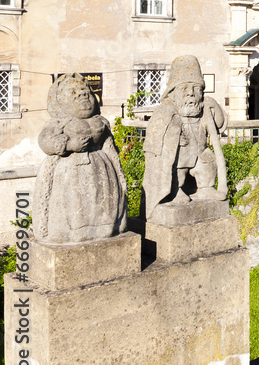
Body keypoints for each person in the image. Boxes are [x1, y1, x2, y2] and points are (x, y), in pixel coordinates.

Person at [34, 74, 127, 244]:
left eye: (86, 92)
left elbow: (110, 147)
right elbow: (45, 140)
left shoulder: (100, 121)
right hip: (70, 171)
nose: (83, 95)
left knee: (102, 202)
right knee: (75, 205)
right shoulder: (58, 123)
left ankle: (105, 230)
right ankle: (71, 235)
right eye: (74, 93)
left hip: (101, 169)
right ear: (60, 100)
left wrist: (119, 174)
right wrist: (68, 145)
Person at [142, 55, 228, 220]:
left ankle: (205, 187)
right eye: (185, 88)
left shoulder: (203, 108)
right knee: (178, 165)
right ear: (173, 93)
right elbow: (155, 141)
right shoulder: (166, 111)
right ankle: (175, 189)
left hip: (199, 156)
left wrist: (214, 107)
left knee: (208, 160)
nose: (191, 93)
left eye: (196, 88)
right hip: (180, 158)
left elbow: (219, 123)